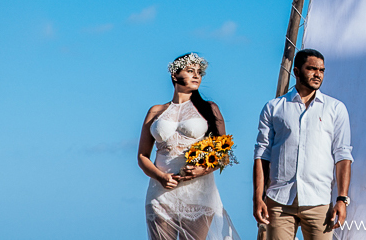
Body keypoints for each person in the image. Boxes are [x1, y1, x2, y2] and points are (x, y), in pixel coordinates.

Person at [138, 53, 241, 240]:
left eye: (199, 72)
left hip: (198, 193)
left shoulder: (209, 108)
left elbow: (223, 153)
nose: (196, 76)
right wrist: (160, 177)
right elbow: (143, 155)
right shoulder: (156, 111)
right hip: (160, 192)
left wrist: (201, 170)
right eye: (190, 71)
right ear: (174, 75)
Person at [253, 49, 353, 240]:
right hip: (279, 201)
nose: (318, 74)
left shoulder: (336, 108)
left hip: (319, 200)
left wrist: (341, 199)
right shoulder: (274, 108)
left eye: (322, 70)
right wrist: (257, 198)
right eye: (312, 69)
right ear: (297, 72)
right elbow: (261, 155)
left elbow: (343, 155)